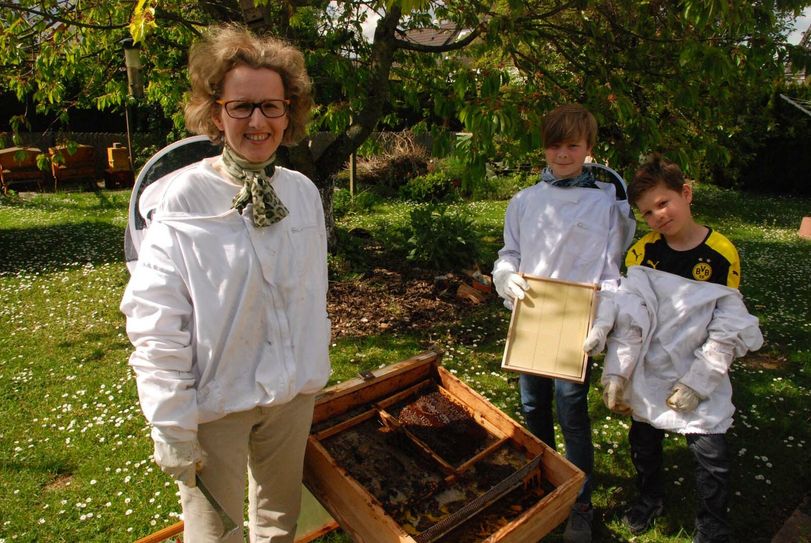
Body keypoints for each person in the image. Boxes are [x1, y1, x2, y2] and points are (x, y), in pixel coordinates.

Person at [120, 24, 329, 543]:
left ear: (289, 112)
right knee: (215, 533)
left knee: (280, 523)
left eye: (271, 106)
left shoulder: (303, 193)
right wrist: (170, 421)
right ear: (216, 113)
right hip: (216, 404)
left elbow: (310, 295)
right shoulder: (183, 197)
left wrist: (310, 364)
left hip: (291, 399)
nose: (258, 121)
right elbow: (155, 317)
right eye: (241, 107)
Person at [587, 154, 762, 542]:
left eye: (663, 203)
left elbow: (727, 327)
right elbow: (630, 321)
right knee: (643, 442)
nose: (657, 217)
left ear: (686, 193)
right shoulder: (642, 253)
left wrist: (699, 382)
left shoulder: (721, 254)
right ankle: (649, 499)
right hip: (650, 369)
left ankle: (712, 525)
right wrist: (617, 372)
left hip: (699, 367)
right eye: (647, 213)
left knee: (710, 454)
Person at [492, 103, 635, 543]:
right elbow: (510, 252)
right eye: (555, 146)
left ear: (588, 147)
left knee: (571, 410)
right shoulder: (525, 201)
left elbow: (611, 271)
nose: (563, 154)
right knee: (532, 406)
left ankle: (580, 502)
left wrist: (603, 318)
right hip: (533, 318)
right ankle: (545, 486)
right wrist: (504, 275)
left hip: (577, 320)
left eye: (572, 146)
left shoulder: (605, 203)